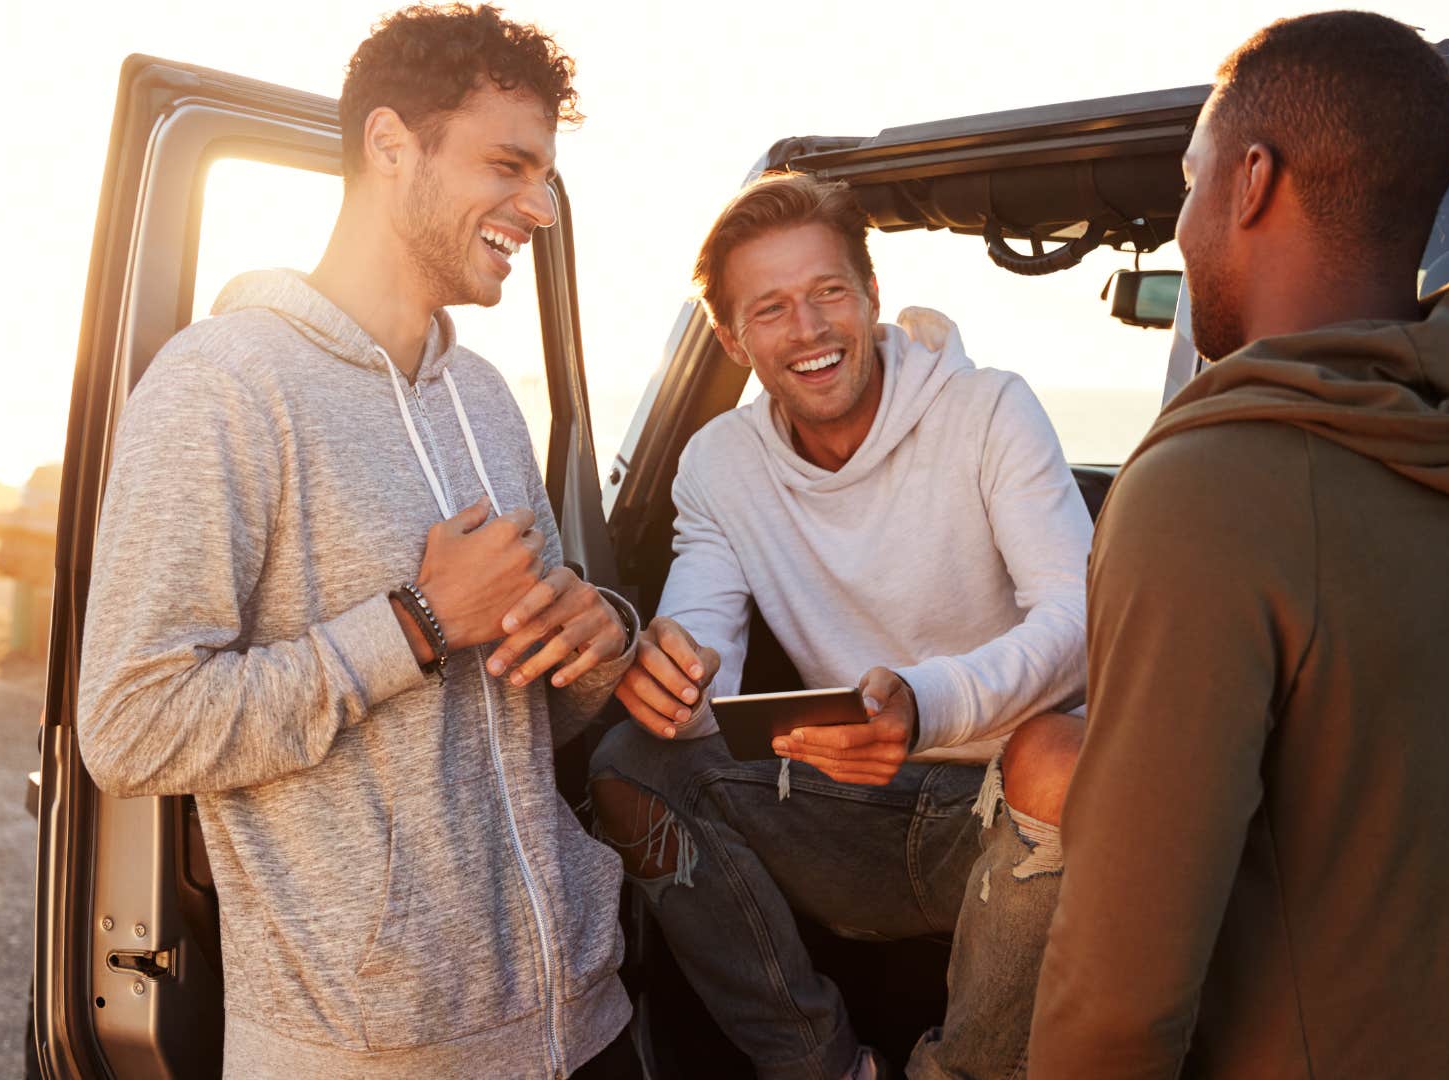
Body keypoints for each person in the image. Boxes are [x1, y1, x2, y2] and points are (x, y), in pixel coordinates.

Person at [1028, 11, 1449, 1078]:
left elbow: (1118, 999)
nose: (1184, 222)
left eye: (1191, 182)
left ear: (1250, 183)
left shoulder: (1205, 495)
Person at [76, 6, 642, 1077]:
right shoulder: (224, 386)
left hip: (582, 1017)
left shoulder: (484, 398)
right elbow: (131, 724)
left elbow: (533, 709)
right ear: (391, 145)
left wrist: (595, 638)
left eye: (547, 176)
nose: (540, 207)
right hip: (377, 1053)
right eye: (510, 165)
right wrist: (414, 625)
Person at [588, 171, 1090, 1079]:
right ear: (732, 338)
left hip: (1008, 817)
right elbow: (702, 659)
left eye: (828, 293)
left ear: (870, 297)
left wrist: (923, 705)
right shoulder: (719, 463)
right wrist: (672, 672)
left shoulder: (988, 410)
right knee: (628, 764)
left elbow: (1079, 621)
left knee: (1062, 760)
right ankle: (824, 1070)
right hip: (842, 806)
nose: (810, 330)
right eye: (771, 308)